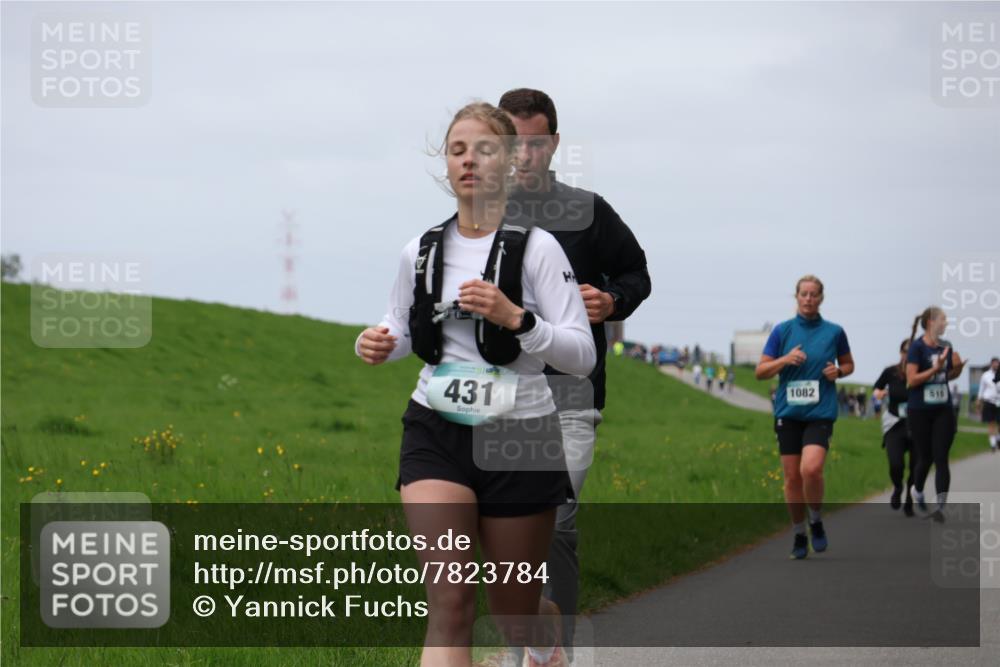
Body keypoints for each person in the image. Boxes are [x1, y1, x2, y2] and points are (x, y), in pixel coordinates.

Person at [355, 102, 596, 667]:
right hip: (435, 428)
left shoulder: (537, 249)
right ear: (447, 164)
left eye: (485, 149)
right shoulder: (420, 249)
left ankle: (544, 629)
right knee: (452, 602)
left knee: (512, 613)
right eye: (458, 150)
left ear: (510, 162)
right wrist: (380, 342)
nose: (469, 161)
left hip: (520, 437)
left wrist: (519, 320)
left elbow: (581, 354)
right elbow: (405, 326)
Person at [498, 87, 651, 664]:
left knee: (557, 522)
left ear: (554, 143)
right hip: (500, 399)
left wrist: (611, 300)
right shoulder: (479, 214)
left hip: (570, 397)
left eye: (536, 143)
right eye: (513, 142)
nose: (525, 155)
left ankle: (551, 652)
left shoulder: (588, 211)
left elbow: (636, 272)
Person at [755, 275, 854, 559]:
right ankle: (799, 532)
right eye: (804, 294)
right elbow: (761, 372)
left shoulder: (834, 332)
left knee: (810, 469)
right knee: (791, 479)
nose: (809, 299)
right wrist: (784, 360)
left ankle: (816, 519)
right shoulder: (782, 331)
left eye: (814, 294)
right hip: (788, 413)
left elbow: (848, 363)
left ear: (821, 298)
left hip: (820, 411)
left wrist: (840, 371)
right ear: (796, 297)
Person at [905, 306, 967, 521]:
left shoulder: (947, 346)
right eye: (943, 320)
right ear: (931, 322)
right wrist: (935, 368)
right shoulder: (916, 348)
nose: (946, 324)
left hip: (943, 409)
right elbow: (911, 380)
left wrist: (957, 369)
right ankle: (918, 490)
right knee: (926, 458)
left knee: (941, 457)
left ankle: (940, 506)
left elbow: (946, 376)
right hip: (919, 410)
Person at [873, 340, 916, 515]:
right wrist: (879, 393)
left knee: (917, 466)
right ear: (900, 352)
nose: (908, 354)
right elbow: (876, 388)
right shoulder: (891, 371)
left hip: (918, 424)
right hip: (895, 423)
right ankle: (898, 487)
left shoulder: (923, 373)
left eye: (912, 351)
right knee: (896, 464)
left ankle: (910, 498)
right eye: (905, 351)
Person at [976, 357, 1000, 452]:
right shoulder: (985, 375)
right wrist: (979, 400)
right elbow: (981, 389)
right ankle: (993, 444)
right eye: (994, 363)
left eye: (997, 363)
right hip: (989, 401)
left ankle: (998, 438)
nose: (996, 365)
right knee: (991, 423)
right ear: (991, 364)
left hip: (999, 401)